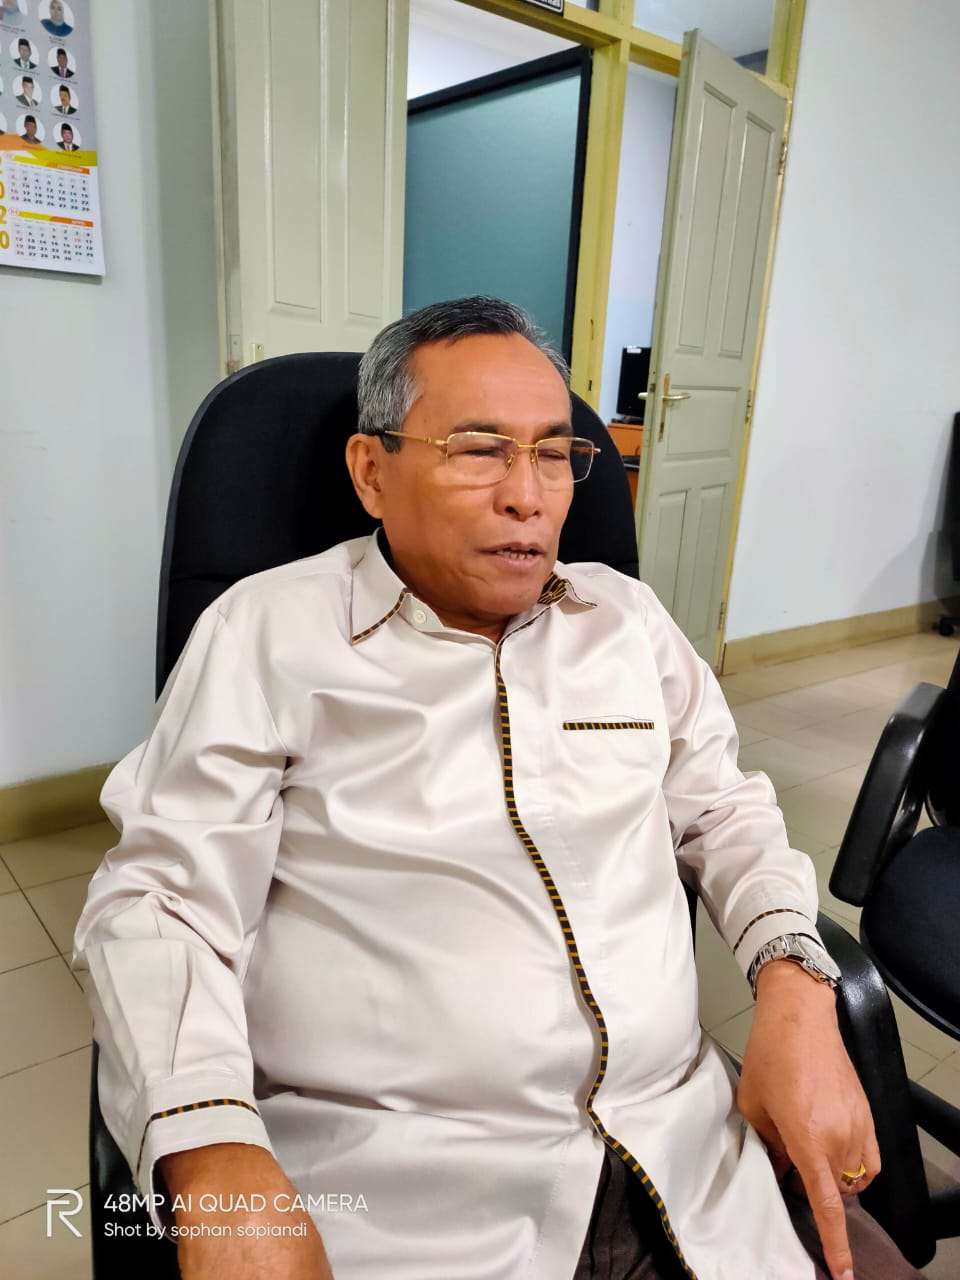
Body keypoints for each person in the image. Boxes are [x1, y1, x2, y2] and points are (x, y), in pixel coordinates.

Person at [72, 297, 921, 1280]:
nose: (530, 496)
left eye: (554, 454)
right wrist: (213, 1152)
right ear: (371, 471)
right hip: (410, 1195)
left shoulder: (628, 623)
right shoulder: (266, 635)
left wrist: (795, 985)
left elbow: (727, 811)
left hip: (687, 1149)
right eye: (480, 450)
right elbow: (161, 902)